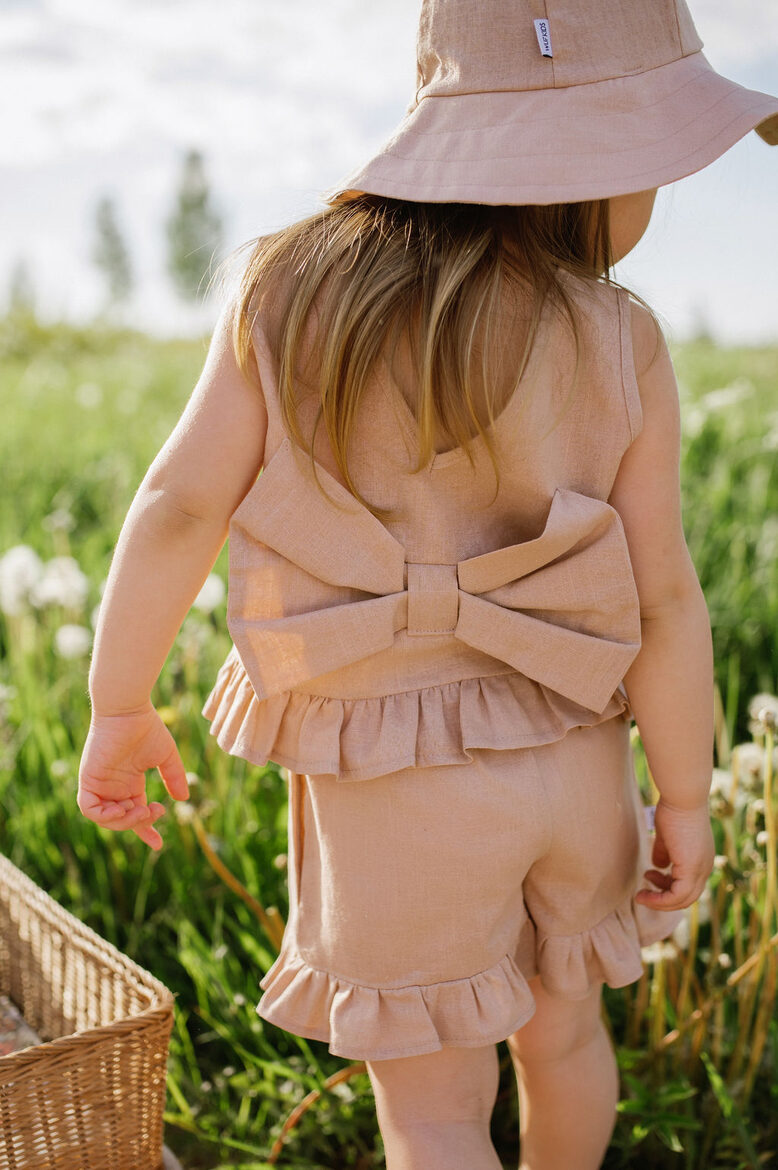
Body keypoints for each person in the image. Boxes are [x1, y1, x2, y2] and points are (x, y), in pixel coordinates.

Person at [78, 1, 778, 1167]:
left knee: (435, 1108)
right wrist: (688, 795)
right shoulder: (621, 336)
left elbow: (177, 507)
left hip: (390, 788)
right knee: (563, 1038)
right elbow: (662, 599)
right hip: (569, 764)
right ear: (590, 173)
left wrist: (119, 705)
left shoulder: (286, 291)